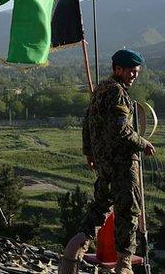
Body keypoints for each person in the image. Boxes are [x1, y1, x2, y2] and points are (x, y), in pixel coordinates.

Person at [59, 49, 156, 274]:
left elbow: (87, 124)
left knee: (100, 209)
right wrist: (144, 144)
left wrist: (90, 153)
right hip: (122, 163)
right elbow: (122, 130)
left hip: (104, 163)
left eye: (137, 71)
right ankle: (124, 266)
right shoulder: (118, 93)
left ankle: (72, 256)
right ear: (118, 69)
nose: (134, 75)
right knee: (128, 213)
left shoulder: (100, 90)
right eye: (131, 71)